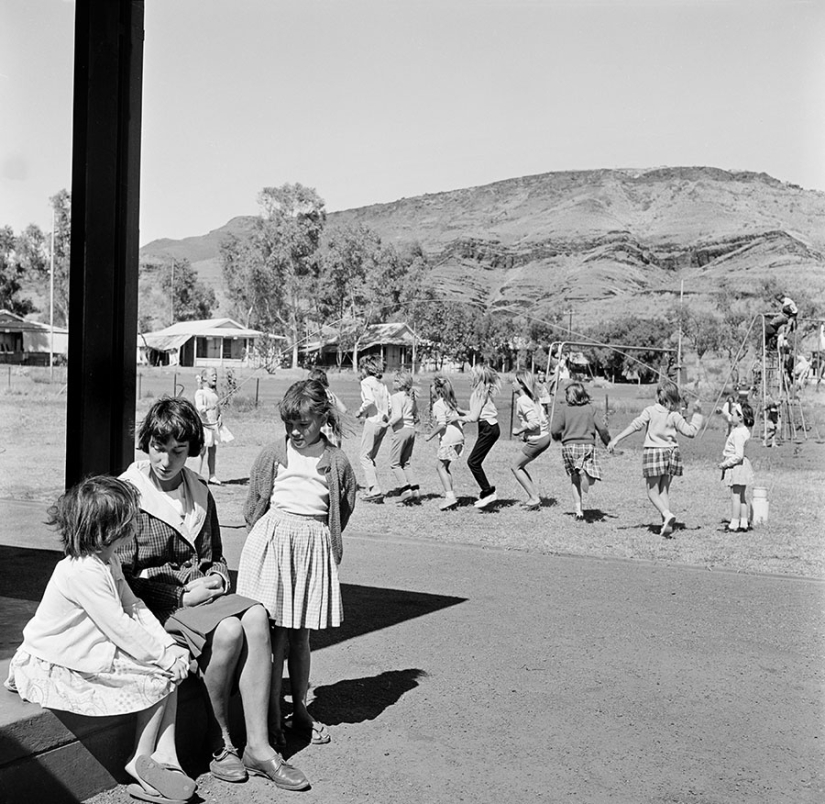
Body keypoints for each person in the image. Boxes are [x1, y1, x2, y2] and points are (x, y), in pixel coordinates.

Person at [119, 397, 309, 791]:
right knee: (228, 631)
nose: (166, 460)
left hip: (201, 599)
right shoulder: (128, 495)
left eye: (178, 451)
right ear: (146, 443)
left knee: (255, 614)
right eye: (158, 447)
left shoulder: (199, 490)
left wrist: (220, 579)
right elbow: (118, 579)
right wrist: (177, 597)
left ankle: (257, 747)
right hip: (156, 606)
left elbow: (214, 557)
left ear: (192, 451)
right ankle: (219, 740)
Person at [5, 476, 197, 804]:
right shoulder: (81, 571)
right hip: (53, 663)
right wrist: (165, 660)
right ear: (105, 528)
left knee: (166, 666)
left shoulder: (108, 560)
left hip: (85, 652)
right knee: (158, 675)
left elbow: (133, 605)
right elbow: (118, 626)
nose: (135, 523)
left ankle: (166, 758)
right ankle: (141, 758)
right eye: (129, 519)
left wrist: (167, 647)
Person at [239, 379, 356, 748]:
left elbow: (344, 505)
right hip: (274, 545)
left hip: (311, 548)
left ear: (322, 419)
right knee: (273, 635)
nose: (295, 431)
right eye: (290, 424)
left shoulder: (336, 461)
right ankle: (271, 714)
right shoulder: (275, 453)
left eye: (303, 424)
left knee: (300, 637)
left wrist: (319, 539)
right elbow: (255, 499)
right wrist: (269, 535)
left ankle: (300, 708)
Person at [607, 379, 703, 537]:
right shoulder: (675, 415)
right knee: (663, 489)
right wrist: (698, 413)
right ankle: (666, 523)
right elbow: (691, 432)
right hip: (672, 453)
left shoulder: (650, 411)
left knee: (652, 492)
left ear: (659, 395)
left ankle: (667, 515)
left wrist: (616, 439)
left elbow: (635, 425)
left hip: (654, 452)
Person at [550, 381, 611, 521]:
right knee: (591, 479)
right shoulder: (590, 409)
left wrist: (558, 437)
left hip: (569, 448)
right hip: (586, 446)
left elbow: (554, 430)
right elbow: (602, 428)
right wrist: (608, 442)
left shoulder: (565, 409)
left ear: (570, 396)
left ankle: (578, 511)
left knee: (574, 478)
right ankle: (585, 474)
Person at [510, 369, 552, 510]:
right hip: (544, 436)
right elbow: (541, 419)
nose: (512, 383)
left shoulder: (523, 401)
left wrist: (519, 430)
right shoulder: (532, 398)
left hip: (538, 439)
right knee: (519, 466)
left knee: (515, 466)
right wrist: (526, 434)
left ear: (522, 384)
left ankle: (534, 498)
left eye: (515, 381)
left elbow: (535, 423)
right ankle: (534, 495)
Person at [462, 365, 501, 509]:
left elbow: (473, 417)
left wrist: (456, 418)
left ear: (477, 377)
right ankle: (486, 493)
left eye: (471, 375)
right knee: (475, 462)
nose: (469, 377)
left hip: (488, 429)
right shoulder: (483, 392)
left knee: (473, 462)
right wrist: (459, 412)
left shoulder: (478, 393)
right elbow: (475, 413)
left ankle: (488, 492)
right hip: (490, 427)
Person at [425, 374, 466, 510]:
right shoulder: (450, 402)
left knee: (440, 467)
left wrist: (429, 436)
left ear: (437, 389)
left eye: (431, 386)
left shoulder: (438, 405)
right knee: (445, 467)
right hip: (459, 439)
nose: (430, 389)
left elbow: (442, 424)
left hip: (449, 440)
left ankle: (449, 497)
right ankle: (450, 495)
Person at [355, 357, 390, 502]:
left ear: (366, 368)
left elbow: (369, 400)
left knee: (364, 457)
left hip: (372, 422)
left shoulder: (366, 383)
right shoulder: (382, 384)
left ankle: (375, 490)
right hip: (383, 423)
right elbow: (389, 402)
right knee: (371, 457)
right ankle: (374, 489)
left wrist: (360, 412)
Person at [718, 401, 755, 533]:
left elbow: (738, 455)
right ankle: (744, 522)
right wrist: (722, 413)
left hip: (736, 466)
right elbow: (729, 418)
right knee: (742, 496)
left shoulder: (738, 433)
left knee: (735, 496)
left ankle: (734, 524)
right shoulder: (743, 429)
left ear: (740, 417)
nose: (730, 416)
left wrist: (725, 464)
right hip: (741, 466)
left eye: (733, 413)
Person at [195, 368, 233, 485]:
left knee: (213, 451)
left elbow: (218, 409)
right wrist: (206, 408)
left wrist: (219, 416)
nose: (215, 377)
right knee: (202, 451)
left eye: (216, 375)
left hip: (213, 425)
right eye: (212, 375)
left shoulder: (214, 393)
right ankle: (197, 476)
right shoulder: (200, 393)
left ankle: (212, 476)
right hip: (204, 426)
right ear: (205, 378)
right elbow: (199, 408)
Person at [388, 370, 420, 503]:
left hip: (401, 431)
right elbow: (415, 415)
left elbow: (397, 416)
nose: (392, 383)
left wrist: (387, 424)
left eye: (395, 381)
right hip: (411, 430)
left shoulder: (396, 397)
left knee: (394, 463)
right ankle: (415, 489)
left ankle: (405, 489)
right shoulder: (410, 397)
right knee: (406, 462)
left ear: (401, 383)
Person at [308, 367, 348, 447]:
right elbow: (343, 409)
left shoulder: (315, 394)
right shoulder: (330, 393)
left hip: (321, 433)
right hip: (332, 432)